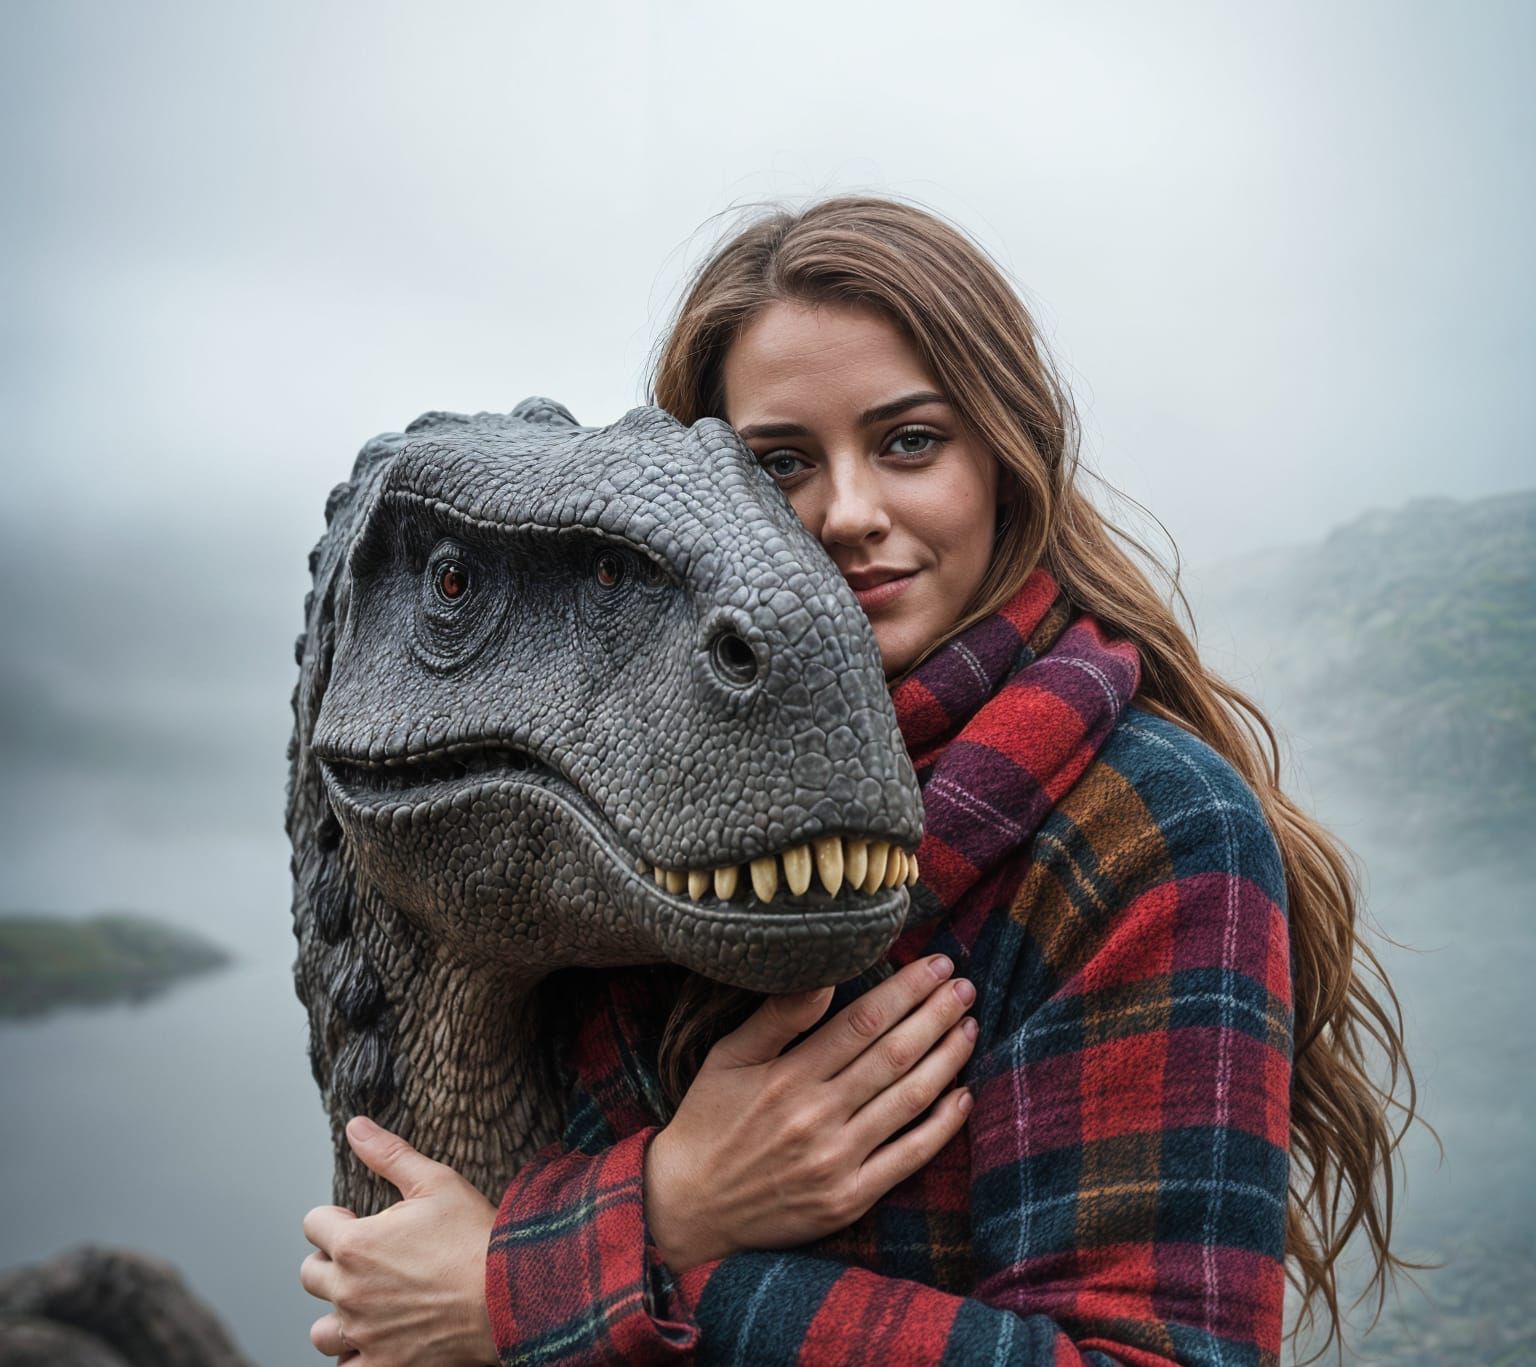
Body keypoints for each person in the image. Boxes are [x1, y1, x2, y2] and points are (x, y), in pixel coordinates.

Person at [300, 196, 1417, 1365]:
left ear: (1004, 459)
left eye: (910, 442)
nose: (849, 514)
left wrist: (574, 1269)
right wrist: (663, 1209)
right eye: (779, 463)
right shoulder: (639, 797)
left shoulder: (1151, 828)